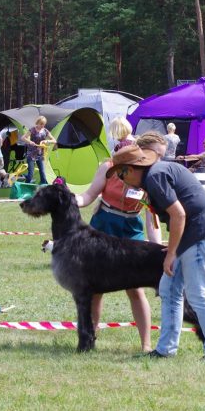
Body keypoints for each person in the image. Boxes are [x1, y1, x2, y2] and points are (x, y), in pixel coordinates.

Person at [107, 144, 205, 359]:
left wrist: (171, 253)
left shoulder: (155, 176)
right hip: (190, 236)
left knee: (198, 294)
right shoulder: (155, 174)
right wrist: (175, 246)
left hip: (200, 233)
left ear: (131, 169)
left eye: (120, 172)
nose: (119, 178)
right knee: (169, 290)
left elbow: (179, 215)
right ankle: (165, 350)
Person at [73, 118, 160, 352]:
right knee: (95, 288)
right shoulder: (107, 167)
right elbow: (89, 195)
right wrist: (71, 199)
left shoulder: (148, 177)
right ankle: (91, 339)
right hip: (103, 224)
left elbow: (153, 218)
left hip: (131, 229)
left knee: (135, 288)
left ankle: (146, 345)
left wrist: (157, 248)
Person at [21, 116, 53, 185]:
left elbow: (54, 140)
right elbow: (23, 138)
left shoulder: (45, 131)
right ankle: (25, 184)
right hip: (31, 154)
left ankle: (43, 188)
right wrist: (30, 142)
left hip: (40, 155)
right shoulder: (32, 130)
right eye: (41, 124)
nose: (42, 126)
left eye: (44, 124)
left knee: (43, 174)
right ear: (37, 123)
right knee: (31, 175)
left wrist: (46, 141)